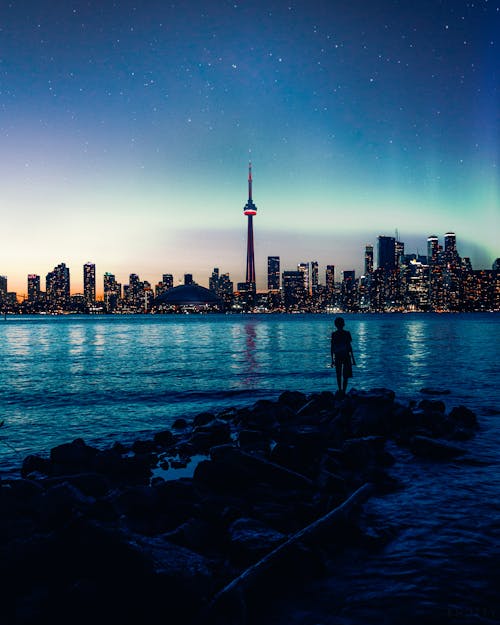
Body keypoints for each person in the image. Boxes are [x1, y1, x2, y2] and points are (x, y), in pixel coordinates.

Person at [331, 316, 355, 396]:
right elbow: (349, 347)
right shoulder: (347, 333)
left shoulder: (334, 334)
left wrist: (332, 360)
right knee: (345, 375)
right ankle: (344, 391)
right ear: (343, 324)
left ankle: (340, 390)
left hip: (338, 356)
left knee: (339, 374)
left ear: (336, 325)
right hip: (346, 356)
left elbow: (332, 347)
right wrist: (353, 359)